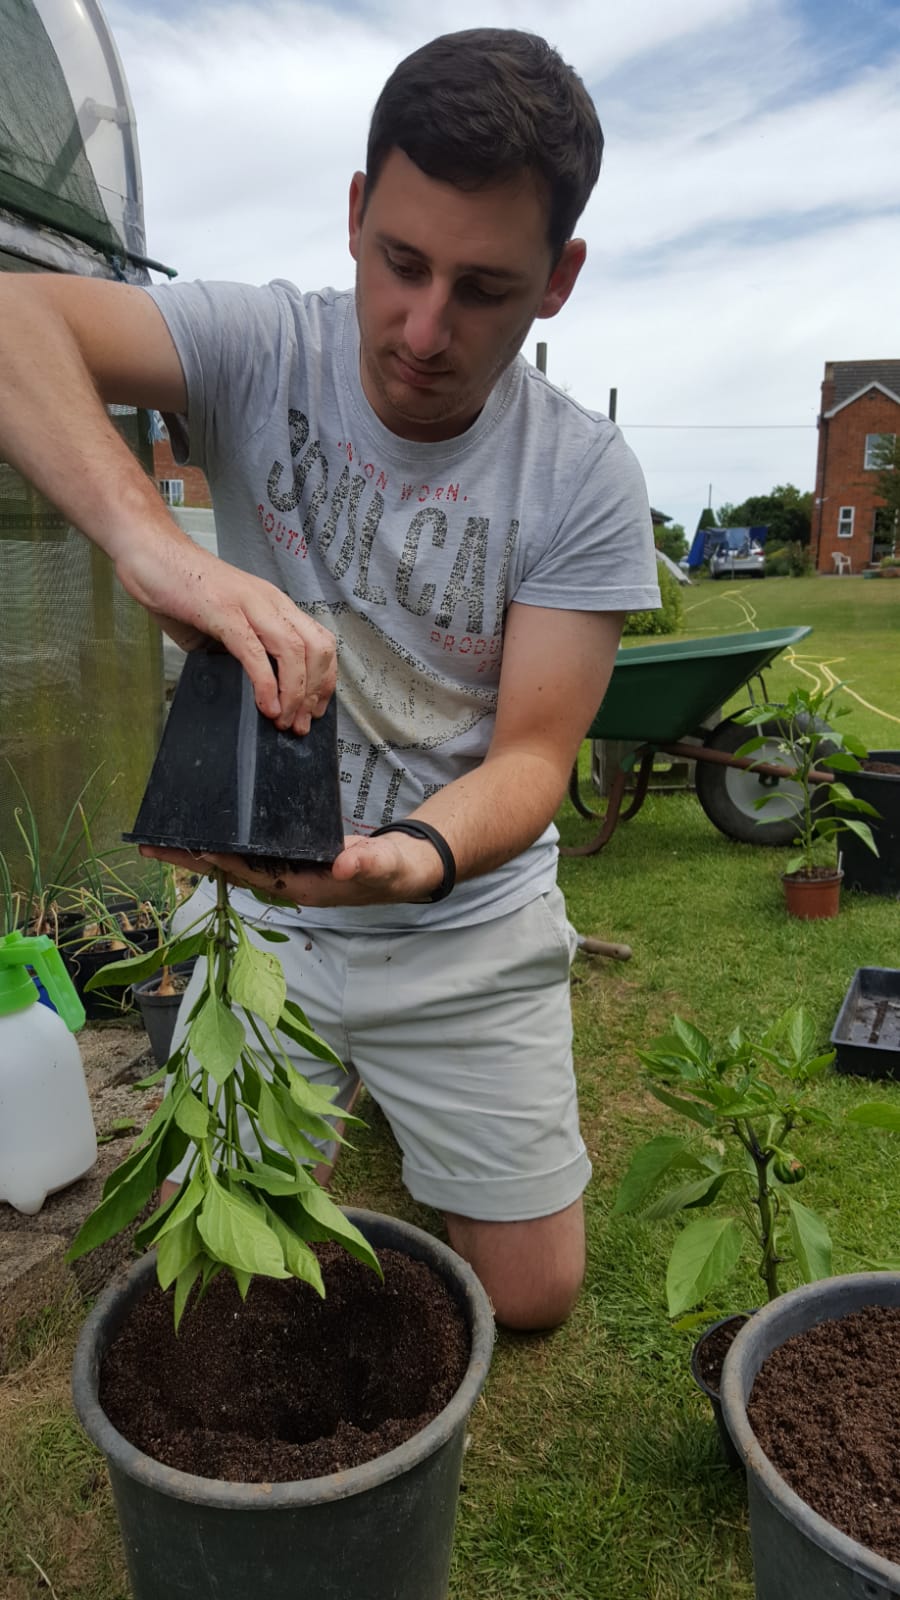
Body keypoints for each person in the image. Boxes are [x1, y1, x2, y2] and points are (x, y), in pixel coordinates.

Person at [0, 28, 659, 1329]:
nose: (423, 329)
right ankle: (334, 1097)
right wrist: (154, 548)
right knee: (227, 1264)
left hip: (465, 912)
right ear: (356, 215)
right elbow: (16, 318)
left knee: (533, 1296)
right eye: (401, 263)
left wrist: (416, 856)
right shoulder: (262, 347)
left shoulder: (583, 477)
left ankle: (411, 1089)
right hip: (264, 910)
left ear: (559, 280)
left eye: (484, 288)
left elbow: (535, 756)